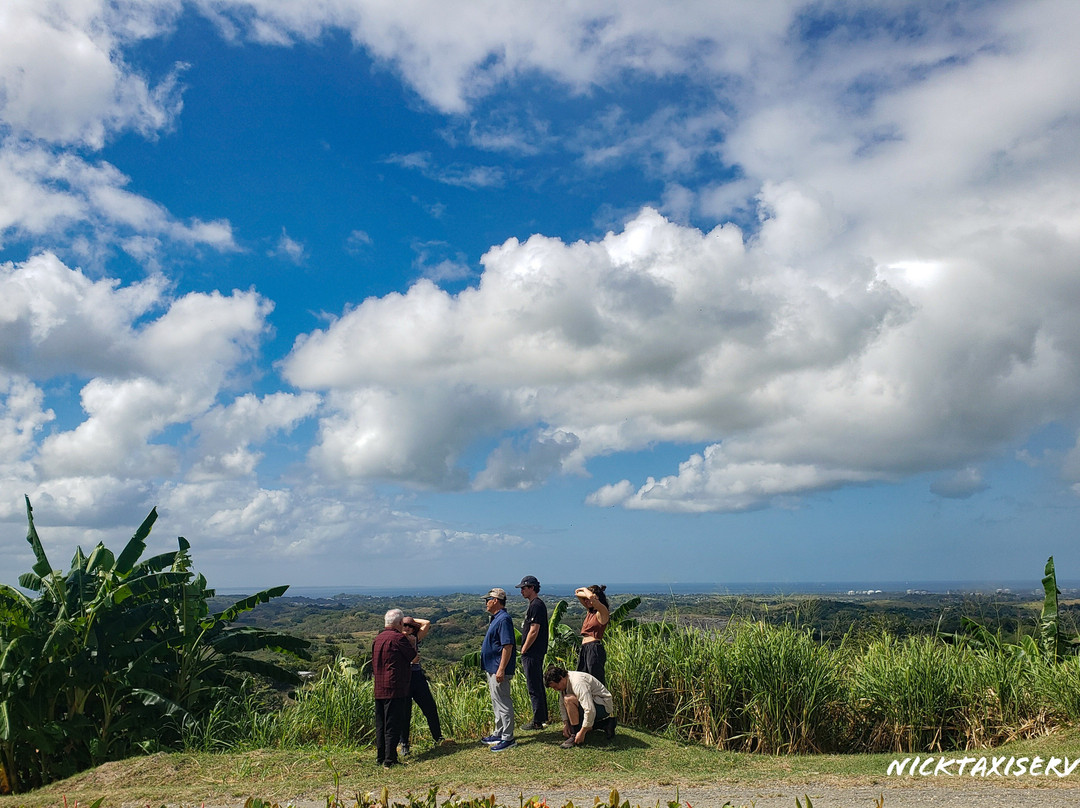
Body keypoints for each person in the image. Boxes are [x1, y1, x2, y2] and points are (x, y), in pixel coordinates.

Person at [372, 608, 414, 768]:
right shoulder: (398, 639)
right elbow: (412, 655)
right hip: (395, 687)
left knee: (381, 723)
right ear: (398, 623)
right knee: (393, 723)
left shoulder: (378, 639)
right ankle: (390, 759)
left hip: (379, 686)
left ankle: (380, 756)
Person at [398, 616, 444, 755]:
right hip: (404, 678)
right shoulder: (396, 639)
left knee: (430, 707)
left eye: (410, 626)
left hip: (417, 677)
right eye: (404, 625)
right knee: (405, 713)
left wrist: (408, 619)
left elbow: (427, 623)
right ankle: (404, 743)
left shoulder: (415, 638)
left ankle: (438, 737)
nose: (407, 628)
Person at [544, 665, 617, 748]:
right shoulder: (564, 684)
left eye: (555, 686)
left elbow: (590, 709)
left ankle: (574, 735)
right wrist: (566, 724)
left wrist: (582, 732)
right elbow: (562, 704)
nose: (555, 689)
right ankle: (606, 723)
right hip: (594, 704)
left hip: (602, 706)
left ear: (561, 678)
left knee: (569, 699)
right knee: (567, 701)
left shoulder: (578, 683)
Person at [479, 587, 516, 751]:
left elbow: (507, 645)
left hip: (497, 667)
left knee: (503, 702)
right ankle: (499, 732)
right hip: (492, 667)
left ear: (495, 601)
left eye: (488, 600)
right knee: (496, 702)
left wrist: (501, 669)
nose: (486, 603)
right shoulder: (496, 618)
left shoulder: (503, 619)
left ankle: (508, 737)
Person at [517, 575, 549, 730]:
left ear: (532, 588)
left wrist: (524, 648)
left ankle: (538, 720)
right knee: (536, 685)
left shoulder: (536, 605)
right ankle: (542, 718)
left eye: (524, 588)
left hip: (533, 652)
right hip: (535, 652)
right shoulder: (535, 605)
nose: (522, 591)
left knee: (534, 686)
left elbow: (534, 630)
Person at [574, 584, 610, 684]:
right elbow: (577, 593)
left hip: (594, 648)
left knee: (595, 680)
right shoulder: (590, 612)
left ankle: (600, 699)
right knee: (582, 679)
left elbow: (590, 598)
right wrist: (585, 592)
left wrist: (586, 590)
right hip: (584, 648)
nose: (586, 601)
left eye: (589, 599)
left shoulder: (602, 612)